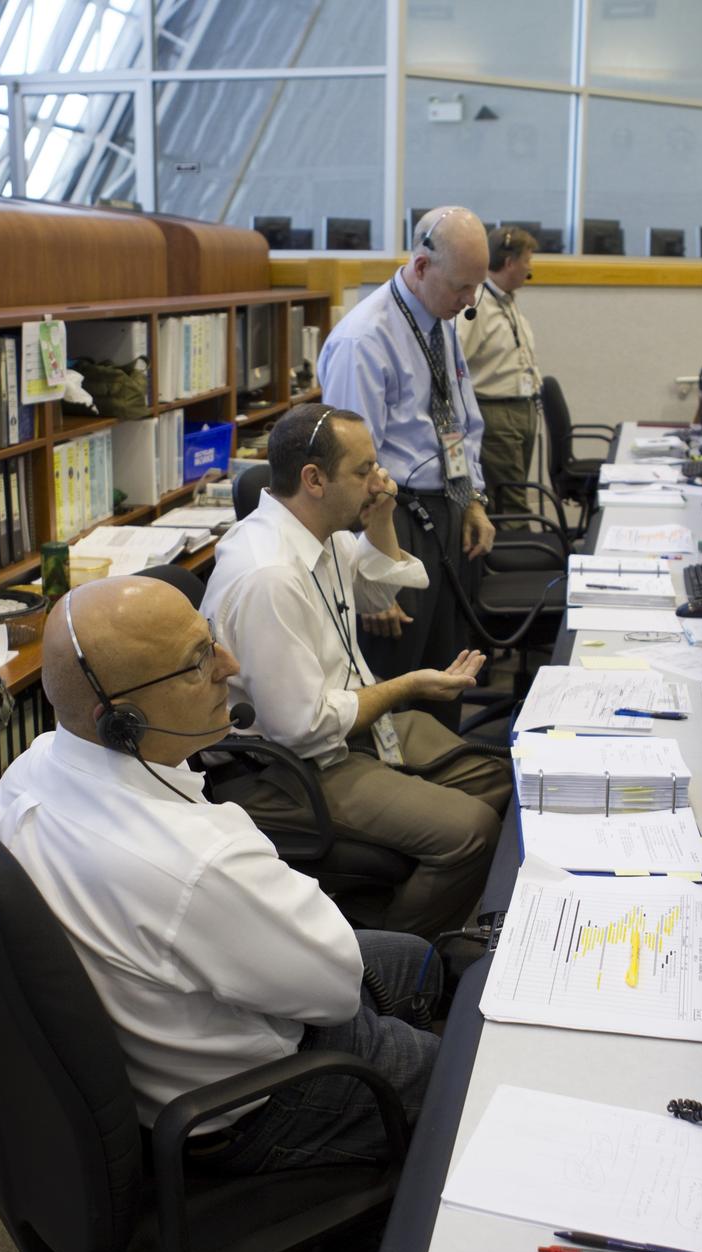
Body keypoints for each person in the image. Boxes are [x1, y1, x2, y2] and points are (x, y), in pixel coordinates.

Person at [0, 574, 443, 1174]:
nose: (230, 665)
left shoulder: (29, 770)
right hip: (252, 1106)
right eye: (198, 661)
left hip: (158, 1057)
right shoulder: (197, 861)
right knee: (462, 1076)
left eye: (212, 640)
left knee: (421, 961)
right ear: (118, 719)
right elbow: (334, 994)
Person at [202, 403, 512, 940]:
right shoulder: (268, 575)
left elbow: (378, 588)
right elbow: (304, 726)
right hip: (284, 766)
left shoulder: (319, 531)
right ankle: (385, 960)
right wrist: (408, 686)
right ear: (314, 479)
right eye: (364, 470)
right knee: (474, 830)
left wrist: (382, 515)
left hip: (344, 729)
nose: (379, 481)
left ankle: (399, 888)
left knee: (503, 777)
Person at [317, 205, 494, 731]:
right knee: (399, 680)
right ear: (420, 267)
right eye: (462, 287)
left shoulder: (438, 322)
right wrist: (369, 571)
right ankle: (402, 792)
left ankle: (447, 776)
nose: (470, 303)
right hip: (392, 522)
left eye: (476, 288)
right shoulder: (364, 340)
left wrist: (473, 499)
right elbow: (350, 474)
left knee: (447, 670)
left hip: (446, 511)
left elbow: (457, 420)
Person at [458, 225, 542, 522]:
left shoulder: (506, 300)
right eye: (527, 261)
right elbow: (457, 365)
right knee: (511, 501)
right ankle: (519, 562)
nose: (530, 269)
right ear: (509, 263)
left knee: (514, 490)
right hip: (496, 413)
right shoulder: (477, 306)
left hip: (521, 409)